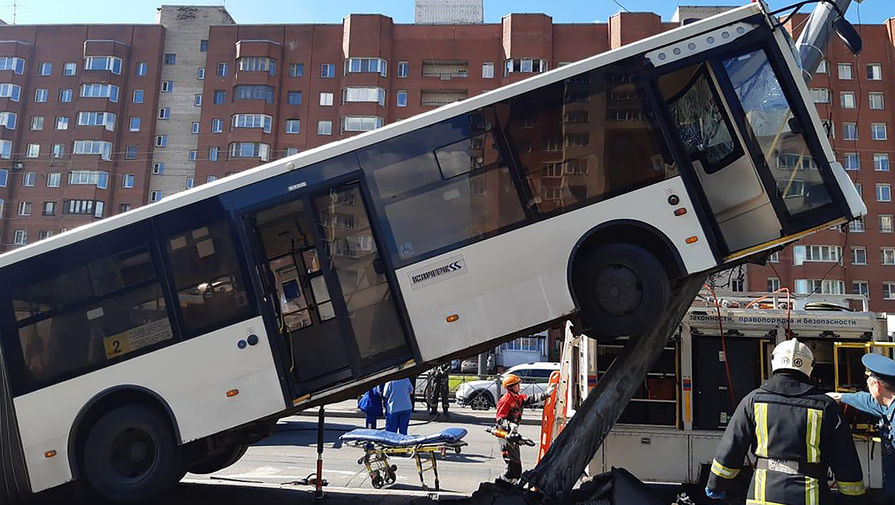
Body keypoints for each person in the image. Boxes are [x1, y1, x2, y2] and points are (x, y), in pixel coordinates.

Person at [706, 339, 865, 504]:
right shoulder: (826, 406)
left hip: (763, 496)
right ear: (810, 366)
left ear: (774, 361)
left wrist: (716, 484)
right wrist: (854, 497)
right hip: (809, 497)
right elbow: (845, 457)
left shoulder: (753, 400)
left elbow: (732, 447)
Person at [829, 352, 895, 504]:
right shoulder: (886, 406)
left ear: (877, 386)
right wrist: (839, 396)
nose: (869, 391)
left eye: (868, 386)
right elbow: (866, 400)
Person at [494, 373, 553, 484]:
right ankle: (501, 485)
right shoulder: (505, 400)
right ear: (510, 387)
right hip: (504, 434)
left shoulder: (516, 397)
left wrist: (546, 394)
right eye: (517, 384)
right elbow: (500, 418)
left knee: (516, 466)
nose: (519, 386)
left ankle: (511, 485)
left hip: (512, 434)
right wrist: (509, 425)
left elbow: (529, 399)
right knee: (512, 464)